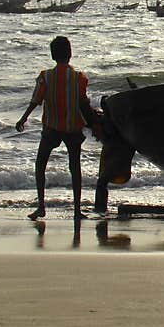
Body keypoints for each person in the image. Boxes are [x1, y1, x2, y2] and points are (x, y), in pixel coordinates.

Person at [16, 36, 99, 221]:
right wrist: (94, 124)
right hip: (72, 128)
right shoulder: (79, 78)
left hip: (51, 128)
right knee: (75, 168)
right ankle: (77, 210)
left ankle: (41, 207)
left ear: (53, 55)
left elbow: (36, 101)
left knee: (41, 165)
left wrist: (23, 118)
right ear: (70, 54)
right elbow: (83, 104)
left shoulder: (45, 77)